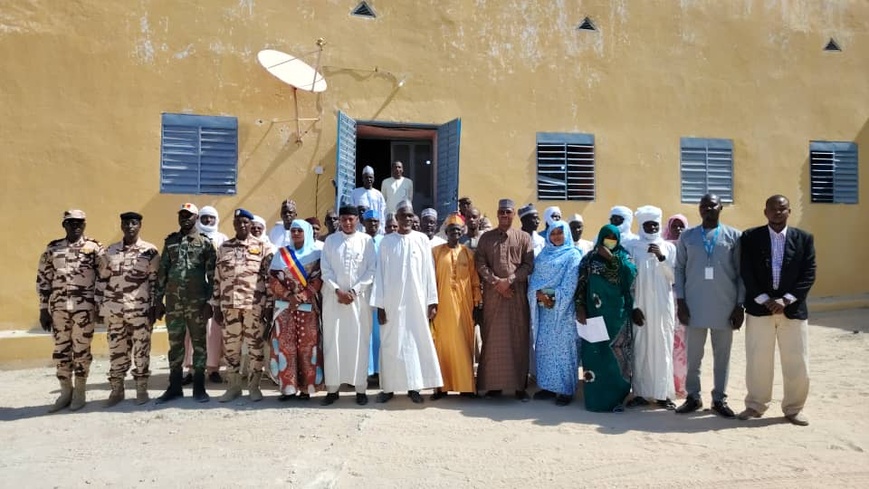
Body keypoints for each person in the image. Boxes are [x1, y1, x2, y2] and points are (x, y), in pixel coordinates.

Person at [738, 195, 816, 426]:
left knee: (797, 360)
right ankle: (755, 405)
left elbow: (809, 273)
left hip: (792, 310)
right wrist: (765, 300)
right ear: (765, 212)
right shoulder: (751, 237)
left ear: (789, 211)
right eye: (772, 209)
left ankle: (794, 408)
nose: (777, 212)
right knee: (757, 360)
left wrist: (786, 300)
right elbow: (746, 271)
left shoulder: (803, 239)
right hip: (759, 309)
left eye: (782, 209)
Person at [674, 193, 744, 418]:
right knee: (694, 356)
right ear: (699, 209)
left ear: (721, 208)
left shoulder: (734, 236)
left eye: (712, 205)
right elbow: (679, 270)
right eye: (704, 206)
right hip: (694, 307)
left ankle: (719, 398)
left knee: (722, 357)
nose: (708, 209)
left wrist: (739, 305)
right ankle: (693, 397)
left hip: (725, 306)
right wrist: (681, 302)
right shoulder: (688, 237)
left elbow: (742, 273)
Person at [371, 200, 443, 404]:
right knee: (391, 345)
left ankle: (414, 387)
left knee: (415, 343)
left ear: (414, 218)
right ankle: (389, 388)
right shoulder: (386, 242)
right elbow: (380, 275)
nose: (407, 219)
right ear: (397, 218)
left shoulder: (421, 240)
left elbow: (429, 272)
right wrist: (380, 305)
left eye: (410, 215)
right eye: (403, 216)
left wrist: (432, 301)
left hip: (416, 303)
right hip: (391, 304)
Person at [37, 209, 105, 413]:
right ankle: (65, 391)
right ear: (63, 225)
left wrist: (100, 305)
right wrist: (43, 309)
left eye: (79, 222)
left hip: (84, 309)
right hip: (58, 309)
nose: (75, 226)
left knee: (81, 349)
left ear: (84, 225)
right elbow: (43, 279)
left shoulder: (94, 248)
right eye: (70, 222)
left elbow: (103, 278)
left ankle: (80, 392)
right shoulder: (53, 248)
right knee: (61, 350)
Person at [154, 203, 217, 404]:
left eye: (189, 216)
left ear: (196, 218)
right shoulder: (171, 242)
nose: (185, 219)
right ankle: (174, 387)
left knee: (199, 344)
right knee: (175, 345)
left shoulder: (205, 243)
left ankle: (199, 387)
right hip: (174, 303)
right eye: (182, 215)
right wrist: (158, 300)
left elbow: (213, 275)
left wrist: (210, 302)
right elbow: (162, 272)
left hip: (196, 303)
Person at [97, 211, 159, 406]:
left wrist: (154, 305)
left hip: (139, 310)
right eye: (126, 223)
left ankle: (141, 389)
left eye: (134, 223)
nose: (130, 226)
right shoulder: (111, 251)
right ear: (121, 226)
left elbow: (155, 282)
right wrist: (99, 307)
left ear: (139, 226)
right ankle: (117, 390)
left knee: (141, 351)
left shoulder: (150, 251)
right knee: (116, 351)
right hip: (114, 311)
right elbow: (102, 280)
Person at [475, 199, 535, 401]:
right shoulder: (486, 238)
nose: (503, 215)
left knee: (518, 337)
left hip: (516, 295)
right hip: (493, 296)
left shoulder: (523, 237)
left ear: (514, 214)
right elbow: (480, 263)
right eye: (501, 211)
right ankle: (493, 386)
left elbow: (528, 265)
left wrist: (509, 280)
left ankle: (519, 387)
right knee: (492, 338)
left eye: (508, 212)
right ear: (497, 213)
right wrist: (496, 283)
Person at [212, 209, 272, 403]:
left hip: (253, 307)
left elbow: (270, 280)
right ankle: (233, 387)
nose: (242, 225)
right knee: (231, 348)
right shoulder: (224, 248)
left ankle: (254, 387)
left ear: (250, 224)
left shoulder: (263, 247)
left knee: (255, 348)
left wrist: (269, 306)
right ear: (234, 225)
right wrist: (216, 306)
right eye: (238, 222)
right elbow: (217, 278)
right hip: (229, 307)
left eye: (246, 222)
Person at [575, 225, 637, 412]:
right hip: (593, 315)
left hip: (617, 318)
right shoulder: (589, 259)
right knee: (594, 356)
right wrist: (580, 306)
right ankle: (595, 400)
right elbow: (581, 284)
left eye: (613, 237)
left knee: (615, 358)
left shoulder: (624, 256)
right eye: (606, 237)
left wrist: (611, 258)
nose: (610, 240)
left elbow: (631, 275)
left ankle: (617, 399)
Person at [320, 206, 377, 406]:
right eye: (344, 219)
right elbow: (325, 270)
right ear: (340, 221)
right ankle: (333, 389)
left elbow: (371, 269)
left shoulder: (366, 241)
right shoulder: (330, 241)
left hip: (358, 302)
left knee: (359, 342)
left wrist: (354, 291)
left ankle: (360, 389)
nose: (347, 223)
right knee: (332, 342)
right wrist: (337, 290)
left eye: (351, 219)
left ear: (357, 220)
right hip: (334, 300)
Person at [624, 206, 678, 410]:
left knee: (663, 346)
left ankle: (663, 394)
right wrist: (634, 307)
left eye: (655, 224)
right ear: (642, 226)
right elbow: (629, 280)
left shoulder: (669, 248)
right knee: (641, 347)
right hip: (640, 306)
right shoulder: (633, 247)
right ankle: (640, 393)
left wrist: (662, 258)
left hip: (663, 306)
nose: (652, 227)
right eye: (648, 225)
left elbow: (674, 277)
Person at [268, 219, 323, 401]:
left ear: (307, 232)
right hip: (285, 308)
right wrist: (288, 296)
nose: (296, 233)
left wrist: (301, 296)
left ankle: (307, 388)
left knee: (307, 347)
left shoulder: (316, 254)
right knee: (286, 347)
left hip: (308, 308)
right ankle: (288, 388)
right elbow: (273, 280)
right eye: (293, 230)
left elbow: (318, 279)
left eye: (300, 230)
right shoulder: (281, 254)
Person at [528, 221, 582, 406]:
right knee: (545, 348)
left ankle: (566, 390)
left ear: (566, 234)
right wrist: (536, 294)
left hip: (564, 312)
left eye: (560, 233)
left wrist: (547, 296)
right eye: (553, 233)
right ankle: (549, 387)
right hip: (544, 313)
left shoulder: (573, 255)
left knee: (564, 350)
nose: (557, 236)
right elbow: (533, 281)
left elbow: (569, 286)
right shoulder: (543, 255)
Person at [431, 213, 482, 399]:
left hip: (464, 306)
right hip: (442, 307)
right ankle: (442, 387)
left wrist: (477, 303)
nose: (455, 233)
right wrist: (431, 303)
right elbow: (429, 280)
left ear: (462, 233)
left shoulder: (468, 254)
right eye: (452, 230)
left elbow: (475, 281)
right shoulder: (436, 252)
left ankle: (466, 386)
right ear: (446, 232)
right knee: (442, 345)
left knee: (463, 345)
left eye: (458, 230)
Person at [185, 205, 227, 384]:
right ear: (198, 219)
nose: (208, 221)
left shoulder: (222, 239)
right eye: (204, 218)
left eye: (211, 218)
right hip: (194, 293)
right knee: (193, 333)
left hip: (215, 293)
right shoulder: (190, 238)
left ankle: (213, 369)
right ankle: (193, 370)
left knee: (214, 333)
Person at [664, 214, 689, 398]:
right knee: (666, 343)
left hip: (684, 300)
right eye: (675, 226)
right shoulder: (662, 246)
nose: (678, 230)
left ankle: (681, 386)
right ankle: (665, 384)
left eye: (682, 226)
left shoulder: (689, 247)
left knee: (682, 346)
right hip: (665, 300)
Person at [362, 209, 384, 380]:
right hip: (363, 292)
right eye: (370, 222)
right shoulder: (360, 241)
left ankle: (379, 370)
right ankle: (367, 371)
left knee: (379, 333)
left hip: (381, 292)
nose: (373, 224)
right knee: (365, 332)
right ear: (364, 223)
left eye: (376, 221)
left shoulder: (384, 241)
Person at [351, 166, 387, 234]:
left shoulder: (378, 194)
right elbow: (352, 211)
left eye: (370, 177)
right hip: (360, 228)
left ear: (374, 179)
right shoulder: (355, 193)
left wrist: (382, 228)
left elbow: (382, 212)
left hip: (375, 228)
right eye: (366, 177)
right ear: (362, 179)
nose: (368, 179)